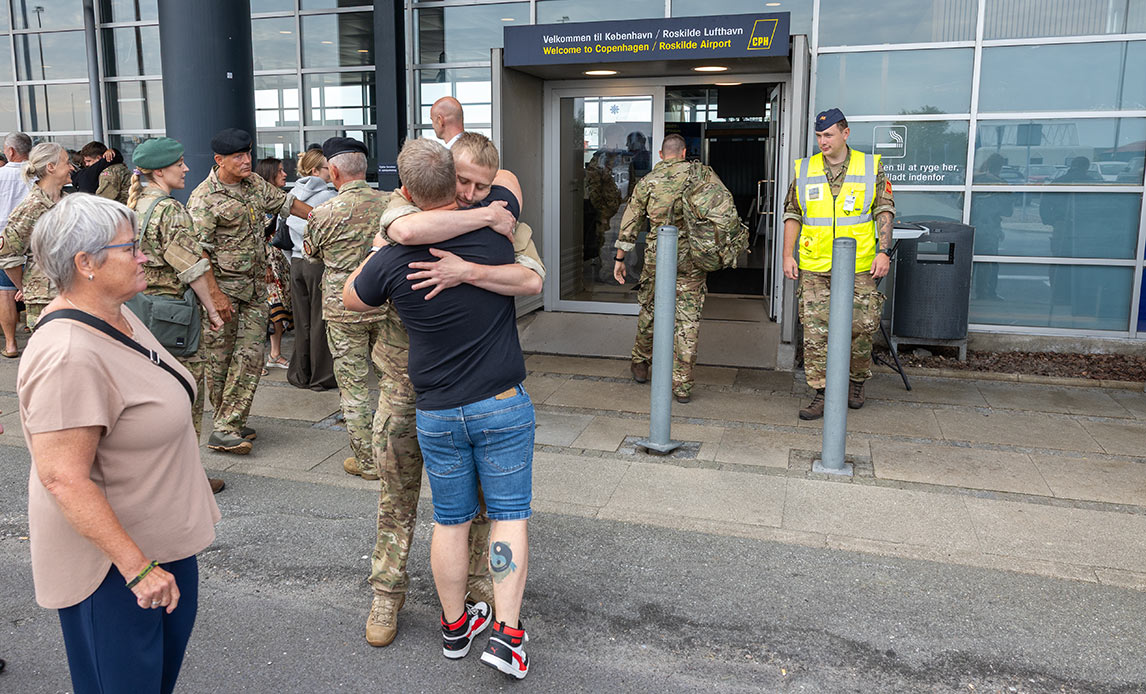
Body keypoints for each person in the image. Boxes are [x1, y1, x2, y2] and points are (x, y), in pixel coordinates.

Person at [344, 138, 539, 679]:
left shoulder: (398, 250)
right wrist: (481, 241)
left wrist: (390, 257)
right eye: (466, 185)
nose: (475, 193)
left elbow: (352, 296)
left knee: (451, 520)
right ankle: (506, 633)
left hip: (433, 405)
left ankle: (456, 626)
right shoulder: (490, 234)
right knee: (504, 517)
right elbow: (529, 272)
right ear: (450, 180)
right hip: (485, 402)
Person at [19, 193, 220, 694]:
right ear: (85, 263)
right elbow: (62, 477)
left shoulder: (119, 313)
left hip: (160, 547)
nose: (144, 255)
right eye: (131, 247)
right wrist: (138, 569)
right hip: (115, 569)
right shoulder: (69, 354)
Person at [187, 128, 313, 454]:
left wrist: (320, 216)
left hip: (256, 290)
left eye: (248, 154)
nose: (247, 161)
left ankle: (228, 424)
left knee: (251, 357)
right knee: (220, 362)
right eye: (238, 157)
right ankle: (227, 422)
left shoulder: (254, 183)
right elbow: (198, 252)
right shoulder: (204, 198)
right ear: (219, 161)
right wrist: (214, 296)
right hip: (222, 293)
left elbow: (286, 204)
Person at [126, 136, 227, 492]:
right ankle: (186, 478)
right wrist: (214, 310)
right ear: (158, 171)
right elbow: (192, 268)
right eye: (178, 164)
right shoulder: (169, 210)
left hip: (140, 313)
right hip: (174, 319)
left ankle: (153, 472)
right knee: (186, 395)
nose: (185, 168)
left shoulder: (133, 206)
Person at [782, 108, 896, 420]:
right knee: (817, 333)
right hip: (815, 265)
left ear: (845, 134)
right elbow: (793, 213)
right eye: (819, 136)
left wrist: (883, 251)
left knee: (860, 328)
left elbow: (884, 209)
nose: (823, 141)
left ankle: (856, 382)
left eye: (828, 135)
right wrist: (787, 255)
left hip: (858, 266)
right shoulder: (805, 169)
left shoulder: (869, 166)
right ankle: (822, 392)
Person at [613, 133, 729, 403]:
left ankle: (641, 364)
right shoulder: (701, 176)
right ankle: (682, 386)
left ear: (662, 155)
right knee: (687, 319)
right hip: (693, 258)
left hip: (657, 258)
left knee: (651, 309)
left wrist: (620, 260)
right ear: (685, 152)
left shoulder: (649, 181)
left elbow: (629, 224)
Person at [302, 137, 388, 481]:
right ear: (363, 169)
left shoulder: (323, 213)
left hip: (343, 305)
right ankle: (399, 455)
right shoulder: (391, 204)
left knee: (353, 386)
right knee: (393, 381)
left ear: (333, 171)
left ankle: (367, 462)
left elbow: (311, 254)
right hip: (385, 301)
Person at [0, 142, 74, 329]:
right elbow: (7, 253)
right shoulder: (32, 206)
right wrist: (25, 287)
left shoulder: (67, 202)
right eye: (66, 162)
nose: (72, 168)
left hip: (73, 290)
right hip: (45, 298)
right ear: (51, 167)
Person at [287, 147, 338, 391]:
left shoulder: (292, 193)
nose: (332, 172)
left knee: (302, 320)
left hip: (296, 263)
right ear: (316, 170)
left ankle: (300, 373)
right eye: (328, 167)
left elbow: (285, 226)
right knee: (320, 320)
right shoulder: (328, 197)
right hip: (317, 264)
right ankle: (321, 377)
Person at [254, 157, 293, 372]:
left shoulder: (281, 198)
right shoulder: (258, 200)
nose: (284, 174)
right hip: (266, 261)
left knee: (280, 309)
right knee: (266, 311)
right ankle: (258, 359)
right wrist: (265, 266)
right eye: (279, 171)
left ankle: (275, 354)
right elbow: (256, 235)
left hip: (279, 260)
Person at [0, 132, 33, 356]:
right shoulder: (36, 175)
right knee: (36, 289)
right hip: (34, 241)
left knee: (5, 293)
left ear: (10, 151)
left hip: (3, 240)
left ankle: (11, 344)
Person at [971, 154, 1013, 301]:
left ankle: (966, 292)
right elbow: (1008, 211)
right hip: (990, 228)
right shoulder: (1001, 184)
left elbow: (960, 203)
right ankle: (986, 293)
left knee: (970, 261)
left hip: (973, 226)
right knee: (989, 262)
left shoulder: (975, 180)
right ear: (1000, 167)